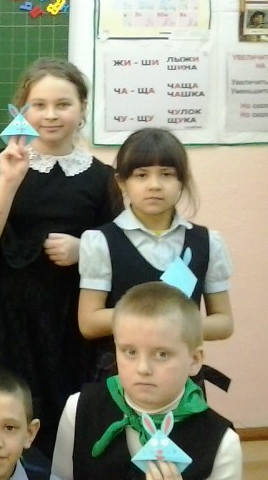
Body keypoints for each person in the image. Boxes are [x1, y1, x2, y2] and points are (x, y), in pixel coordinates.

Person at [0, 58, 115, 457]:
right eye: (39, 105)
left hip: (71, 322)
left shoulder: (101, 177)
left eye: (63, 104)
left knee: (69, 423)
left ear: (82, 109)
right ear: (22, 110)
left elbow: (117, 247)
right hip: (8, 319)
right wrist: (9, 180)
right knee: (11, 417)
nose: (51, 115)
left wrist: (84, 249)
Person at [52, 282, 242, 480]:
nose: (143, 368)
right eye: (129, 352)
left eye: (162, 354)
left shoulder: (221, 442)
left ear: (195, 360)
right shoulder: (79, 409)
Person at [78, 128, 233, 383]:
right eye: (141, 175)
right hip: (120, 379)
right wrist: (156, 321)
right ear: (121, 182)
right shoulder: (100, 241)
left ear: (182, 180)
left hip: (182, 380)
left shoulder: (207, 242)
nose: (154, 185)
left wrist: (176, 327)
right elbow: (89, 322)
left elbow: (224, 322)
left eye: (167, 174)